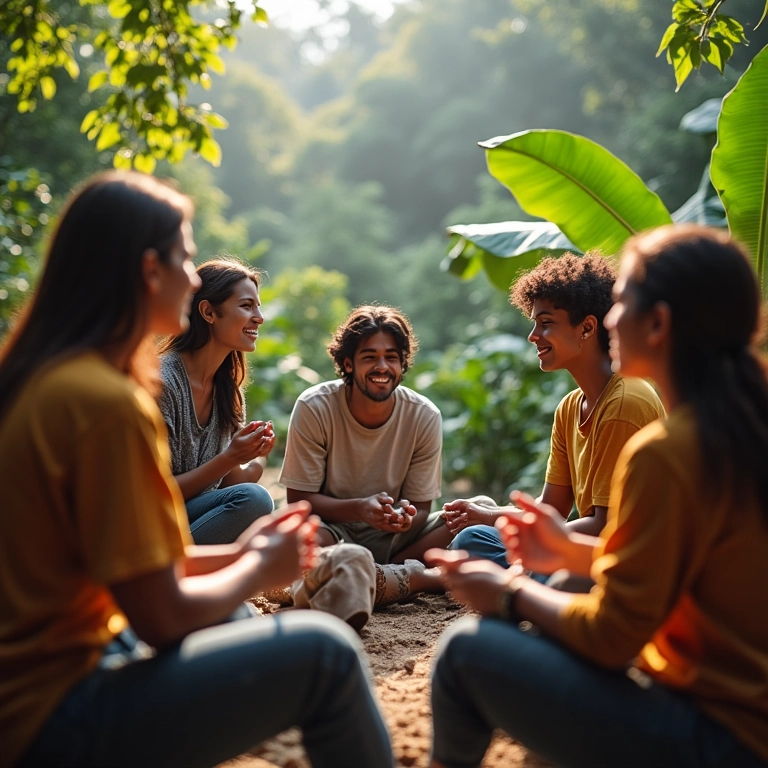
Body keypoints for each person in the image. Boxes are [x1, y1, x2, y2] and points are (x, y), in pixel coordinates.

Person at [0, 171, 392, 768]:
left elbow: (131, 571)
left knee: (233, 613)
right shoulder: (108, 403)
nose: (191, 278)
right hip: (52, 716)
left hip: (49, 678)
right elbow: (160, 616)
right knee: (327, 654)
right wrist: (259, 566)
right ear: (148, 271)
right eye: (184, 259)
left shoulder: (46, 377)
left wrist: (244, 554)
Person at [427, 225, 768, 768]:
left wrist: (509, 593)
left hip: (721, 740)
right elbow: (687, 568)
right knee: (558, 577)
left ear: (658, 324)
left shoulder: (665, 449)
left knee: (465, 651)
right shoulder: (740, 424)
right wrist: (563, 549)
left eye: (622, 303)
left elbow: (612, 635)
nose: (610, 319)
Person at [444, 253, 664, 569]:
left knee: (524, 565)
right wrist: (487, 515)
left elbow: (606, 527)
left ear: (587, 327)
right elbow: (552, 509)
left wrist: (531, 544)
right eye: (534, 323)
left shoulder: (625, 402)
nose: (533, 335)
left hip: (628, 559)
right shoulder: (570, 407)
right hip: (581, 546)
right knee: (474, 539)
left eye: (546, 323)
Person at [280, 304, 451, 603]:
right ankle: (391, 577)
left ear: (402, 365)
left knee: (476, 511)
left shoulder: (424, 415)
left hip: (395, 540)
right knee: (297, 538)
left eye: (391, 357)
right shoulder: (314, 406)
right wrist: (360, 509)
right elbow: (299, 501)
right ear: (348, 364)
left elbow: (422, 506)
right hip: (332, 532)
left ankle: (374, 573)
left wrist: (404, 518)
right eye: (370, 357)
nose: (382, 367)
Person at [157, 258, 275, 545]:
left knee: (258, 503)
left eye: (258, 306)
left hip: (186, 518)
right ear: (209, 312)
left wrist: (254, 454)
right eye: (247, 306)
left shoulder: (227, 390)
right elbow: (152, 494)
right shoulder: (162, 383)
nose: (259, 317)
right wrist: (231, 456)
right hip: (148, 519)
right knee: (256, 500)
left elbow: (230, 481)